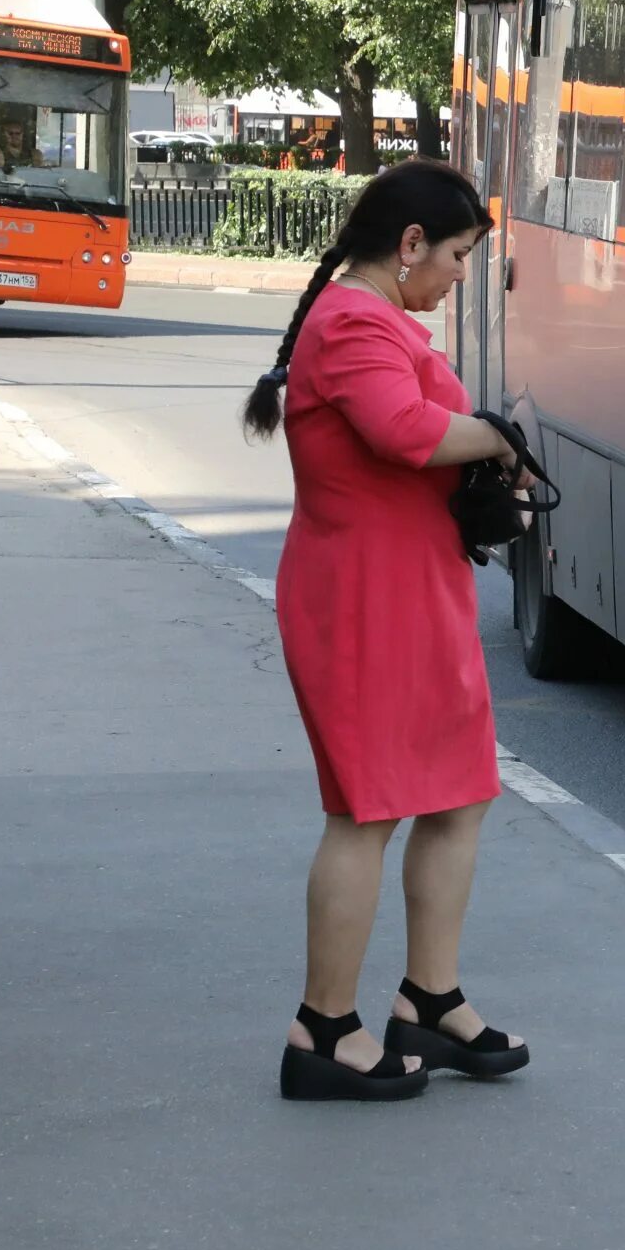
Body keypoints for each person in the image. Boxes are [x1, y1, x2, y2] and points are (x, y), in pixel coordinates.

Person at [242, 160, 534, 1103]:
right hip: (361, 604)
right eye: (454, 256)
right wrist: (498, 438)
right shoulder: (351, 322)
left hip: (417, 593)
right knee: (367, 810)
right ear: (409, 246)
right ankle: (322, 1029)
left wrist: (489, 456)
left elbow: (429, 426)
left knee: (458, 795)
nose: (458, 274)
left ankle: (428, 1000)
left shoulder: (378, 319)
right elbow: (406, 430)